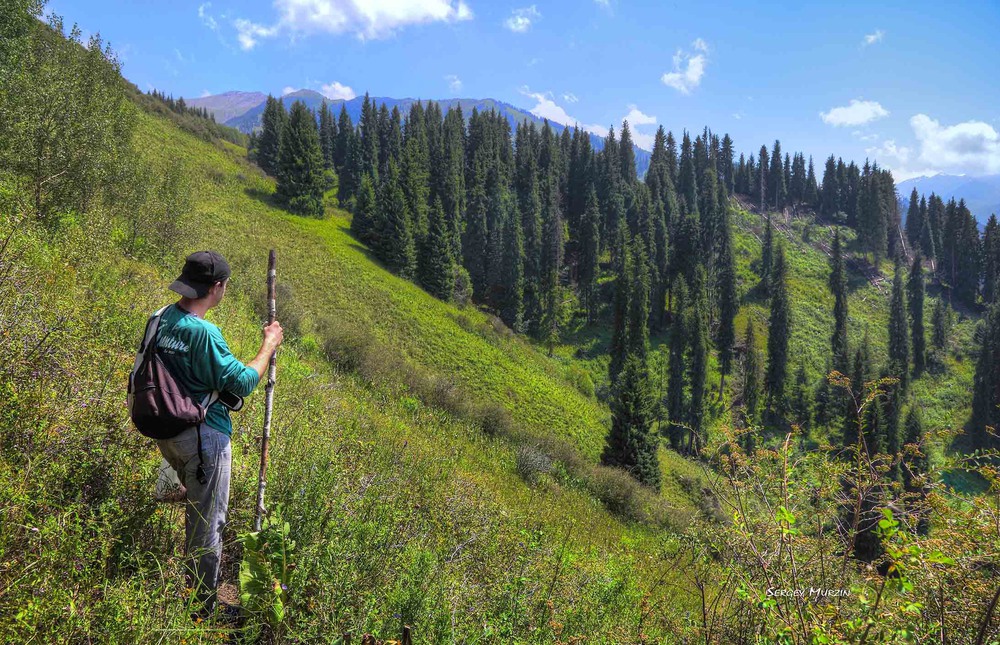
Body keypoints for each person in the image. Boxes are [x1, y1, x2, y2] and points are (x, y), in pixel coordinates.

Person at [151, 250, 283, 616]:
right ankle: (200, 610)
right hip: (202, 439)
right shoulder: (203, 332)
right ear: (217, 287)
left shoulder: (160, 318)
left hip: (166, 431)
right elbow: (241, 382)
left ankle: (171, 490)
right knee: (207, 526)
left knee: (197, 509)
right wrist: (269, 344)